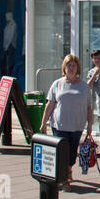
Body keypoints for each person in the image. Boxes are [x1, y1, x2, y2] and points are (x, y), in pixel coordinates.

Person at [41, 54, 92, 182]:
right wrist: (43, 123)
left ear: (77, 68)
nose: (71, 68)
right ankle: (63, 176)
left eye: (74, 65)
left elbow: (89, 107)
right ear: (64, 68)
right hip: (60, 124)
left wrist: (90, 125)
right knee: (61, 151)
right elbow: (50, 104)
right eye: (69, 65)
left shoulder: (84, 86)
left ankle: (68, 170)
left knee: (72, 152)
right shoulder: (57, 84)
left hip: (77, 125)